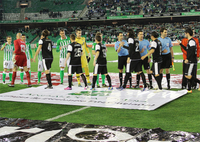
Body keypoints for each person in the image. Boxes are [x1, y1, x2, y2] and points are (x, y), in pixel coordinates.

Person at [178, 28, 200, 93]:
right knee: (188, 74)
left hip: (191, 60)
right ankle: (189, 89)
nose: (185, 34)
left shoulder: (191, 41)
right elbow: (188, 50)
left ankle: (196, 84)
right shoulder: (190, 41)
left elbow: (193, 51)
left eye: (185, 33)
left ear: (187, 33)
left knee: (188, 75)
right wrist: (181, 44)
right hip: (191, 60)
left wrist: (188, 59)